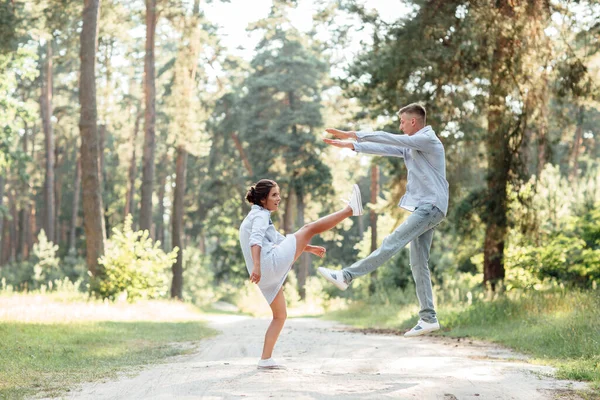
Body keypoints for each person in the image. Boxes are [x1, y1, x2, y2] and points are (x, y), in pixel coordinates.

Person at [318, 103, 449, 337]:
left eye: (402, 121)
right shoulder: (413, 146)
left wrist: (355, 133)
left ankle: (346, 276)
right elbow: (384, 147)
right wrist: (353, 146)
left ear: (413, 122)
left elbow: (391, 138)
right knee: (418, 262)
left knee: (392, 241)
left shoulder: (427, 139)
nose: (400, 126)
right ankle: (428, 317)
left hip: (430, 206)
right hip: (427, 206)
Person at [239, 178, 363, 369]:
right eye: (274, 195)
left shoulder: (256, 215)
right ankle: (350, 210)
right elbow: (255, 241)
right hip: (266, 266)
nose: (279, 198)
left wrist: (308, 247)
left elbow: (279, 240)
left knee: (280, 316)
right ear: (263, 199)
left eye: (279, 194)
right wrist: (257, 266)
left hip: (265, 277)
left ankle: (265, 359)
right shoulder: (261, 216)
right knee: (309, 228)